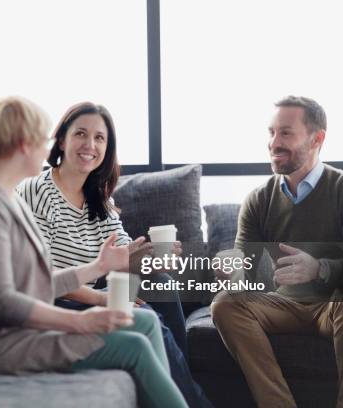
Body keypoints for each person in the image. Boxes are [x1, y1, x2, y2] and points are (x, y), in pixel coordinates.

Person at [0, 96, 188, 408]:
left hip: (15, 329)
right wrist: (81, 322)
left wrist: (99, 267)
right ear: (21, 144)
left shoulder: (4, 198)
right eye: (43, 140)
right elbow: (3, 301)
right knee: (135, 346)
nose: (49, 148)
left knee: (148, 321)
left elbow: (35, 280)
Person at [18, 102, 212, 408]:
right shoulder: (37, 192)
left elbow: (124, 253)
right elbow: (39, 277)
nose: (90, 145)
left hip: (96, 291)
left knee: (162, 285)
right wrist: (101, 298)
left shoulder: (98, 200)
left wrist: (152, 258)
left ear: (107, 149)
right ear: (62, 139)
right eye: (81, 133)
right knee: (149, 318)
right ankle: (195, 401)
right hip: (57, 301)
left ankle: (182, 383)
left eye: (99, 138)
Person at [210, 96, 343, 408]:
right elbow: (248, 272)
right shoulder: (258, 200)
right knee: (225, 305)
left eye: (286, 133)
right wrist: (231, 269)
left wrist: (319, 268)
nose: (274, 142)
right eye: (271, 132)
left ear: (318, 138)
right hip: (282, 305)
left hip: (334, 305)